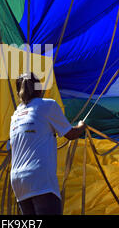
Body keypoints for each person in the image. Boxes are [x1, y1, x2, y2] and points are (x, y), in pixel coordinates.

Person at [9, 72, 86, 215]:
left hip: (18, 180)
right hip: (39, 177)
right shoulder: (48, 105)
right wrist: (82, 126)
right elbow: (71, 134)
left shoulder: (15, 115)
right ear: (39, 89)